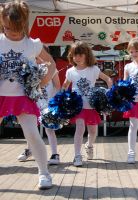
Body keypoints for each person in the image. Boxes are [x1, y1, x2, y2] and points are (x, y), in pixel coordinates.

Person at [0, 1, 56, 189]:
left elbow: (51, 64)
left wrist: (43, 82)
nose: (12, 32)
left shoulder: (33, 44)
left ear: (24, 23)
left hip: (23, 96)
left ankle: (44, 173)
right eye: (7, 28)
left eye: (16, 28)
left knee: (32, 133)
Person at [62, 41, 113, 167]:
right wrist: (62, 97)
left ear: (87, 55)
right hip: (77, 106)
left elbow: (107, 79)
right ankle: (77, 155)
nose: (77, 58)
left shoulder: (93, 69)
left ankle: (89, 145)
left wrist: (110, 92)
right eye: (74, 55)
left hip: (91, 105)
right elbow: (65, 85)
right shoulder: (70, 72)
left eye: (80, 55)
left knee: (93, 131)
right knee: (79, 128)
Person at [17, 52, 61, 165]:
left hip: (48, 104)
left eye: (40, 56)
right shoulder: (27, 68)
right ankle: (30, 149)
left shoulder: (51, 69)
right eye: (35, 56)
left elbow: (57, 86)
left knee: (49, 129)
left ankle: (55, 153)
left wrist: (53, 101)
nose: (38, 58)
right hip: (33, 103)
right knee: (30, 128)